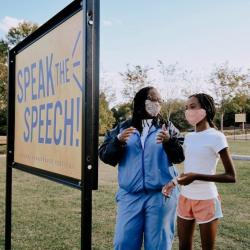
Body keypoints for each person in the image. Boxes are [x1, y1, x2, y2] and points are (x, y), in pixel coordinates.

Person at [99, 86, 185, 250]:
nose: (158, 103)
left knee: (158, 245)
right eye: (154, 99)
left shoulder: (167, 127)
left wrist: (169, 141)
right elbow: (105, 156)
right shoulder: (122, 127)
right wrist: (118, 142)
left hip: (161, 196)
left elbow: (179, 156)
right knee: (123, 243)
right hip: (130, 196)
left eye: (160, 100)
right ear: (140, 103)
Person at [162, 93, 236, 250]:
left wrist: (196, 177)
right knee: (183, 246)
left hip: (206, 199)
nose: (188, 111)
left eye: (192, 107)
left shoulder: (217, 137)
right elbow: (190, 170)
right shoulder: (189, 137)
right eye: (186, 108)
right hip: (185, 198)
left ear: (206, 109)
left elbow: (231, 176)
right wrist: (173, 183)